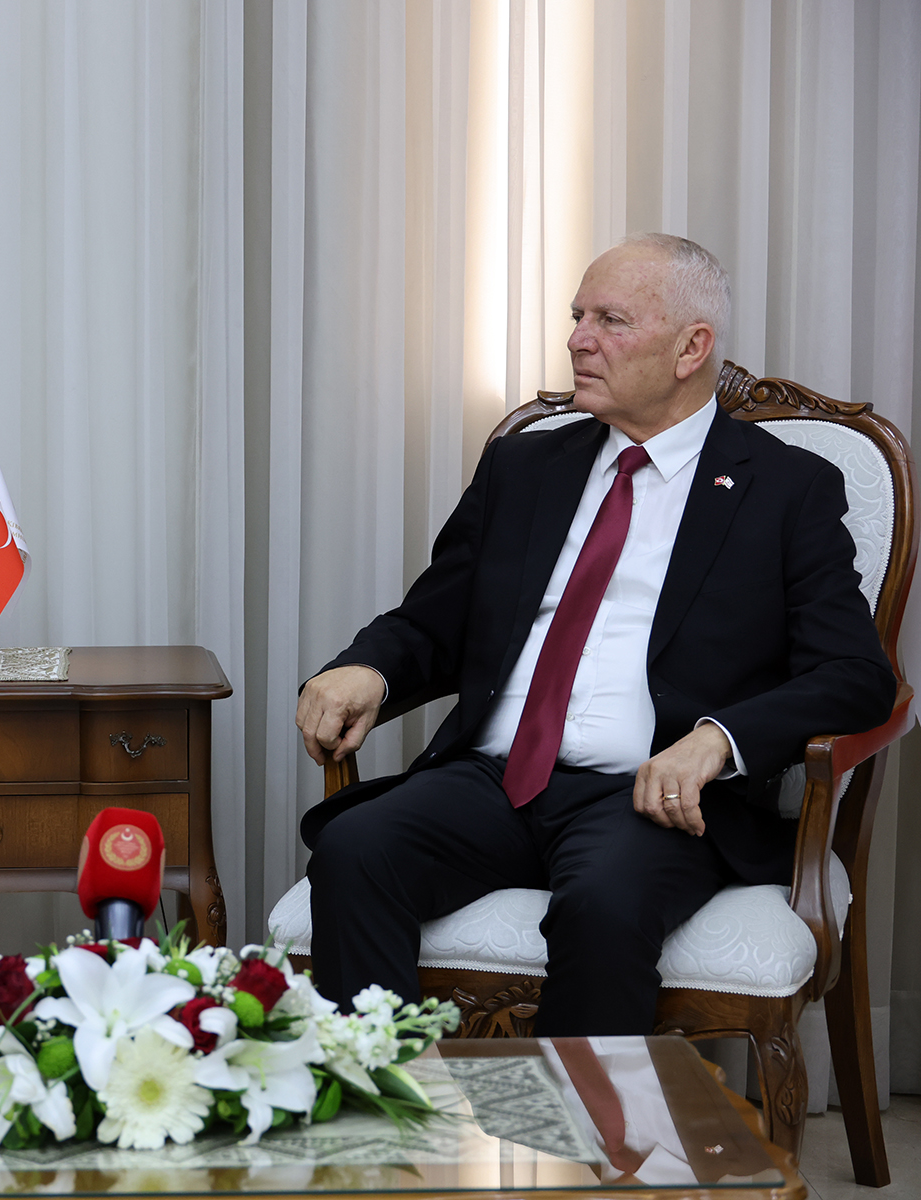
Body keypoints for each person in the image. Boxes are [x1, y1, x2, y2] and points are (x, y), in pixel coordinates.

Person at [294, 233, 896, 1034]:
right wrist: (366, 667)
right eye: (578, 316)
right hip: (496, 779)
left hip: (650, 799)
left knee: (604, 903)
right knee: (355, 848)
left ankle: (575, 1119)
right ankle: (391, 1102)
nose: (579, 339)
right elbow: (436, 621)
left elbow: (856, 675)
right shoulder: (524, 467)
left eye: (611, 320)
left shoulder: (786, 488)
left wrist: (716, 740)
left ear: (691, 348)